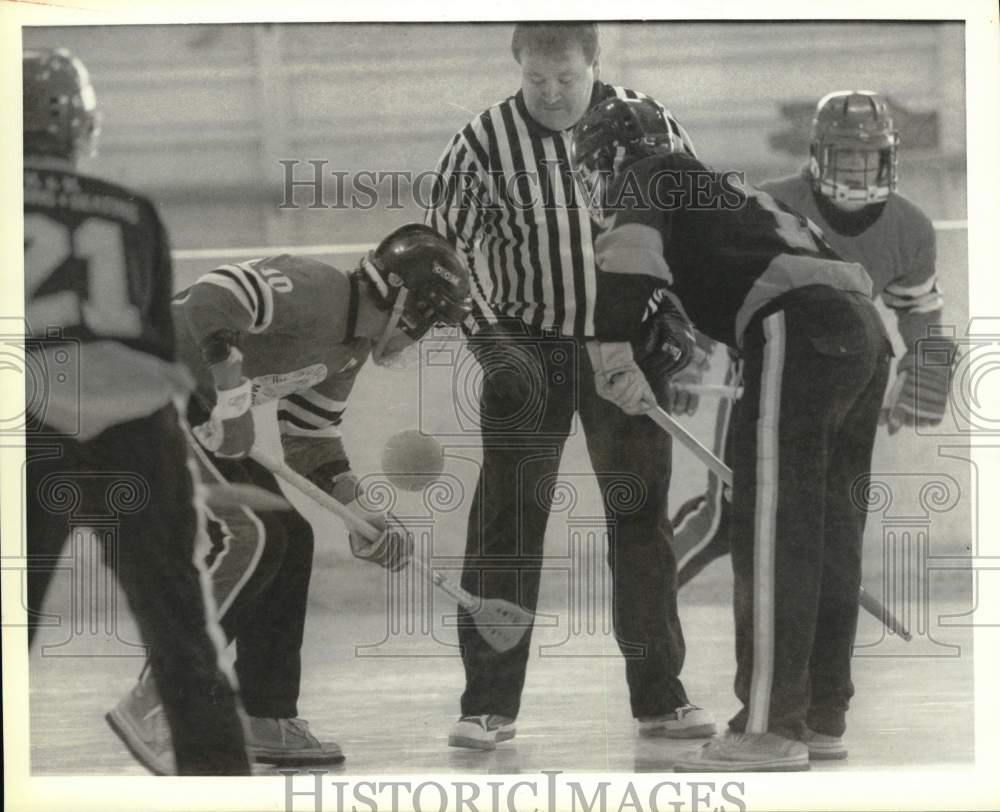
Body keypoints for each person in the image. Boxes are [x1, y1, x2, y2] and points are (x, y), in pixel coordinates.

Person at [571, 95, 906, 770]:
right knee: (826, 530)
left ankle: (766, 727)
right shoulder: (719, 190)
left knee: (772, 533)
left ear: (606, 157)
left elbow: (631, 254)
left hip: (796, 329)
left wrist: (609, 348)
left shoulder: (647, 169)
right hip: (861, 332)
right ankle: (817, 715)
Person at [426, 21, 715, 751]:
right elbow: (442, 253)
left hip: (632, 347)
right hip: (528, 343)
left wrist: (683, 327)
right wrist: (493, 345)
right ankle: (488, 704)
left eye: (567, 79)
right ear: (518, 67)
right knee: (507, 521)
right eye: (537, 80)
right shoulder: (484, 142)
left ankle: (661, 698)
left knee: (639, 515)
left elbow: (693, 226)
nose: (552, 95)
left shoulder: (648, 123)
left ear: (594, 64)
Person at [105, 224, 473, 773]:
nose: (423, 335)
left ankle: (267, 716)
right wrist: (231, 395)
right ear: (406, 302)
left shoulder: (350, 351)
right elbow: (211, 297)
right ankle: (161, 696)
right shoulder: (317, 287)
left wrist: (361, 513)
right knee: (252, 533)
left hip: (199, 410)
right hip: (152, 391)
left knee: (290, 536)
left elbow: (311, 441)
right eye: (430, 319)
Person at [22, 48, 250, 775]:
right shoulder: (133, 208)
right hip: (136, 433)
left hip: (28, 419)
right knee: (185, 640)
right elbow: (160, 339)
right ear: (84, 126)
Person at [672, 91, 957, 622]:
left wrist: (925, 368)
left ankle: (813, 661)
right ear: (819, 153)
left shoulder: (911, 226)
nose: (855, 165)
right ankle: (643, 597)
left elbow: (919, 310)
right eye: (844, 154)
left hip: (845, 381)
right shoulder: (771, 202)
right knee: (729, 516)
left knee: (829, 522)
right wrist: (689, 360)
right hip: (764, 371)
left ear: (887, 157)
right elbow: (717, 285)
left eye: (866, 154)